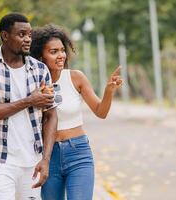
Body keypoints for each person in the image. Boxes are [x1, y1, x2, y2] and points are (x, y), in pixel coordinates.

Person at [0, 13, 58, 200]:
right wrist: (29, 101)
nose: (27, 39)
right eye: (21, 34)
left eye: (30, 35)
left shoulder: (40, 69)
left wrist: (46, 160)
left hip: (33, 160)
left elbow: (50, 115)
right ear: (5, 35)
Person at [30, 24, 123, 200]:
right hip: (48, 157)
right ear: (41, 55)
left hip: (78, 152)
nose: (61, 56)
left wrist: (109, 91)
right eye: (54, 51)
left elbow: (100, 112)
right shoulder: (32, 83)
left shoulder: (75, 78)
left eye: (62, 50)